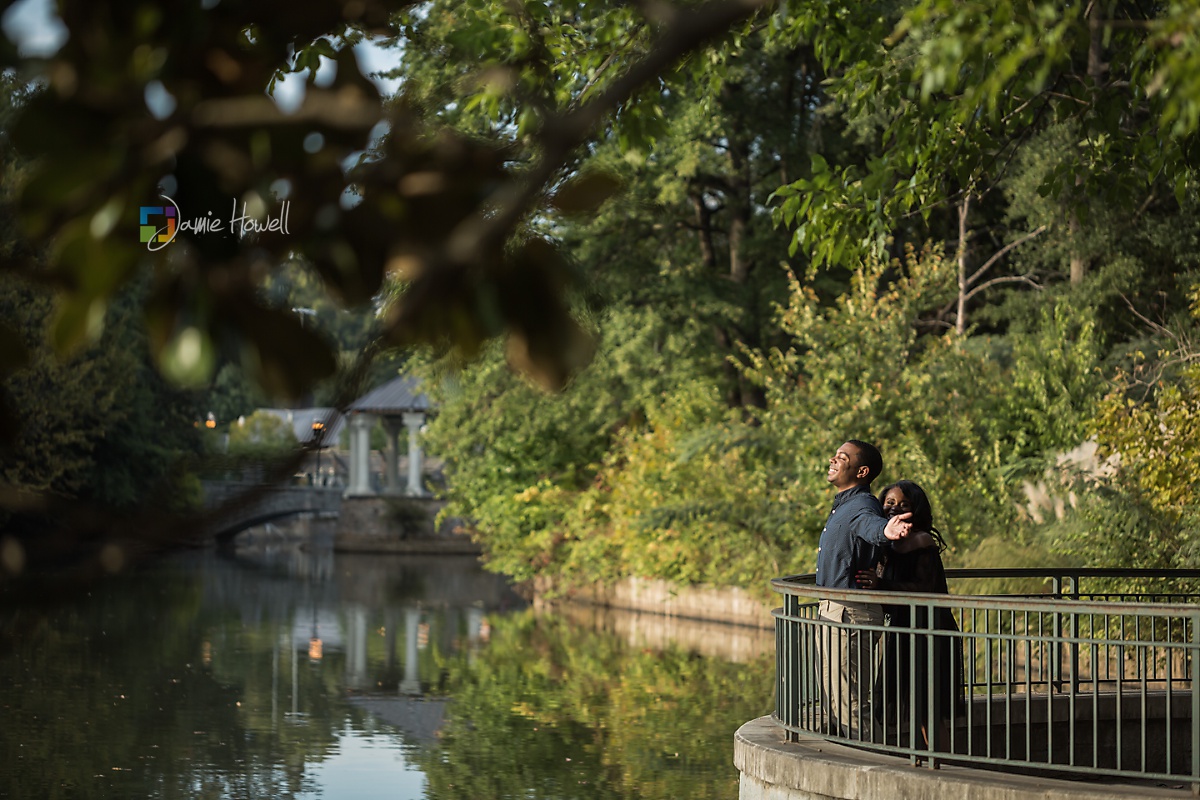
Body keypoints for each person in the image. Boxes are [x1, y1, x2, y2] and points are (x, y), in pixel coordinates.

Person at [856, 480, 964, 754]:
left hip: (930, 631)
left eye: (904, 504)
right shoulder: (887, 545)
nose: (895, 508)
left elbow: (924, 589)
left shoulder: (922, 540)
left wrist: (881, 585)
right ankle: (919, 763)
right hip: (903, 630)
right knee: (903, 705)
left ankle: (941, 765)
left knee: (928, 709)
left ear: (916, 509)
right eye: (889, 503)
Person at [816, 440, 912, 739]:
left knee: (850, 701)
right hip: (836, 610)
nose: (833, 459)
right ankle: (849, 752)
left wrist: (886, 530)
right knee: (835, 697)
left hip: (850, 614)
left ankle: (874, 757)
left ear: (862, 471)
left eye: (842, 457)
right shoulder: (844, 505)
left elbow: (870, 525)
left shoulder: (862, 505)